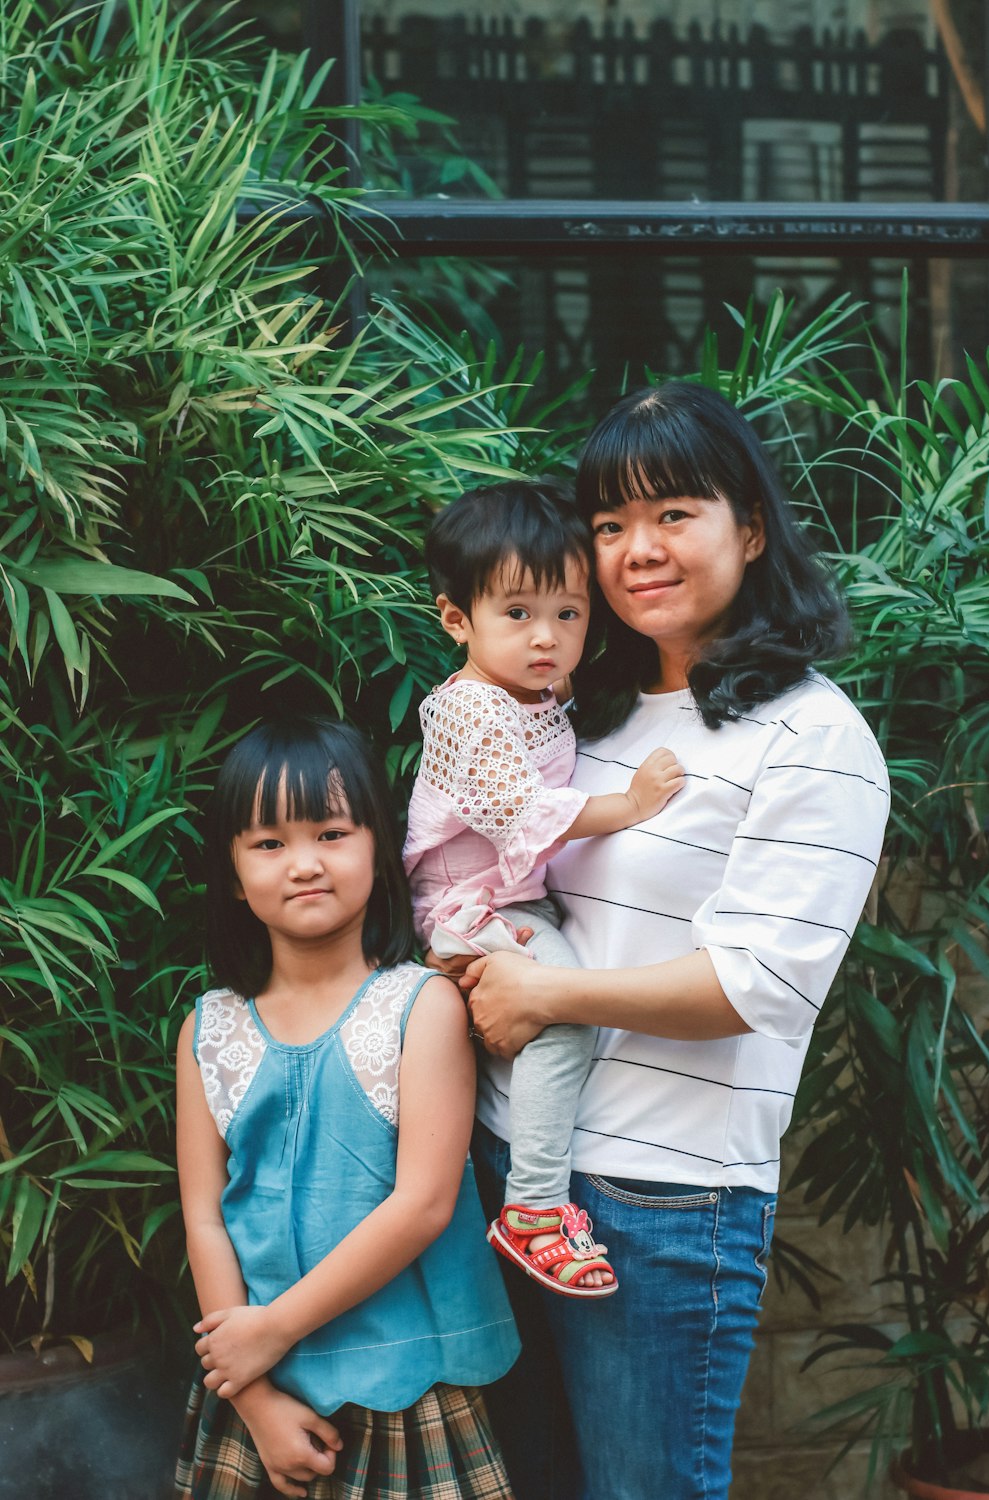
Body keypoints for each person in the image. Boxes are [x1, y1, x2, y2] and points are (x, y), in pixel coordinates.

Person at [459, 384, 891, 1500]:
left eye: (671, 515)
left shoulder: (811, 734)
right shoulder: (575, 715)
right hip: (511, 1171)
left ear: (748, 526)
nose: (636, 551)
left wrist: (545, 999)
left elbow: (754, 984)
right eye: (608, 525)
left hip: (661, 1203)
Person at [174, 715, 519, 1500]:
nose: (303, 864)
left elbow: (424, 1204)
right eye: (268, 844)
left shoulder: (420, 1004)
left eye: (331, 833)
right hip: (260, 1387)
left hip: (407, 1379)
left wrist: (271, 1331)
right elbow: (204, 1216)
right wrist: (253, 1392)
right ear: (232, 873)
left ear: (377, 847)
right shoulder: (209, 1028)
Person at [403, 481, 684, 1299]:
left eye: (568, 614)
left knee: (557, 1013)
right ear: (457, 620)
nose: (547, 638)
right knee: (561, 1019)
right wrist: (631, 806)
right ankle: (532, 1210)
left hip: (511, 903)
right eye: (518, 615)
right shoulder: (467, 711)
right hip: (468, 910)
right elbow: (523, 813)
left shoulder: (540, 693)